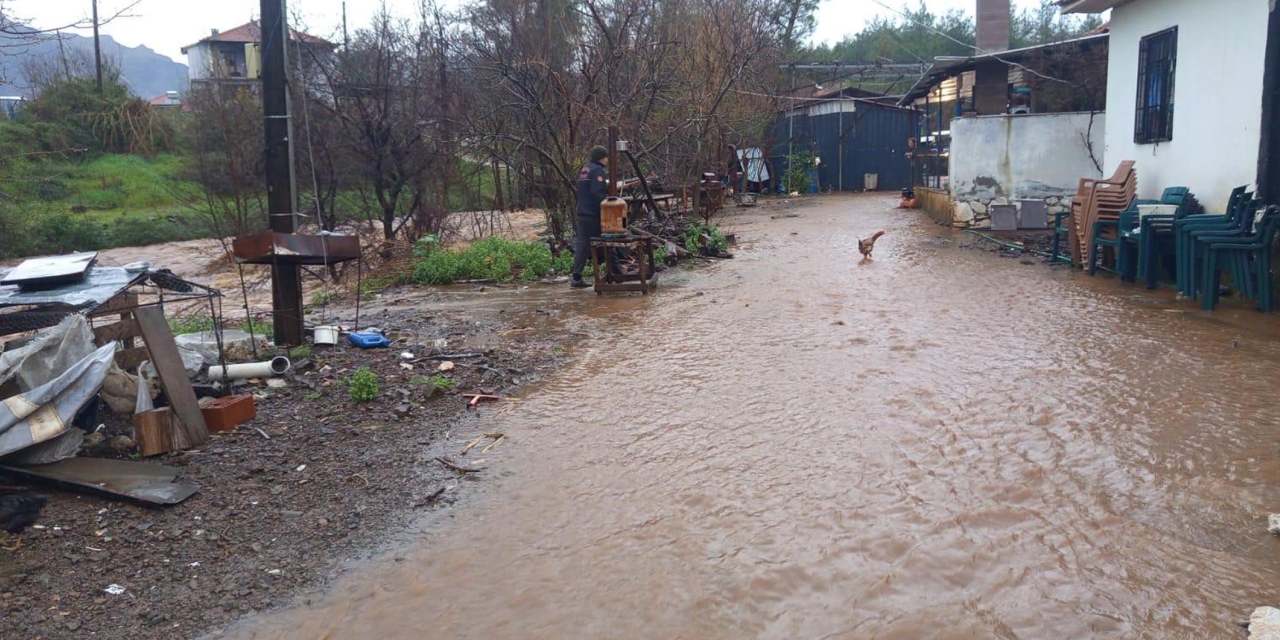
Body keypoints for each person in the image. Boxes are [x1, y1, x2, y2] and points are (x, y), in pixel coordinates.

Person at [571, 145, 609, 288]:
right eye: (606, 157)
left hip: (582, 212)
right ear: (601, 158)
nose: (607, 160)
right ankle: (615, 272)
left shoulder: (585, 169)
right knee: (612, 239)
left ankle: (576, 277)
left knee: (582, 245)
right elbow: (597, 192)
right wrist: (609, 203)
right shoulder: (598, 170)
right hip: (593, 214)